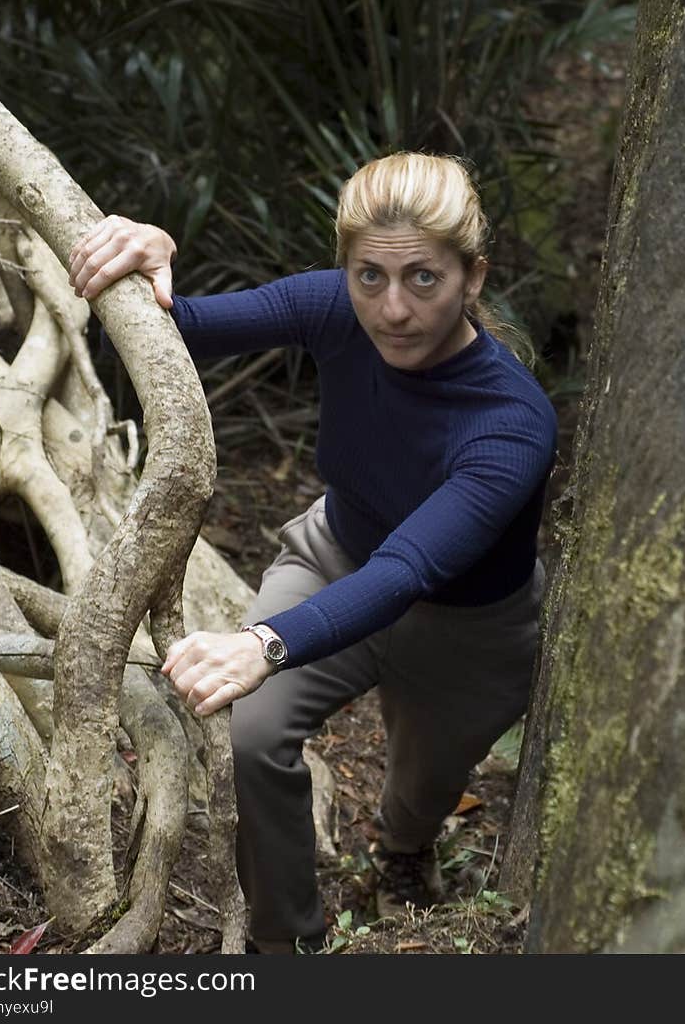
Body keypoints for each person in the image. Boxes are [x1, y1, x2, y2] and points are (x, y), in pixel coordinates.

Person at [68, 151, 557, 954]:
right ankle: (285, 946)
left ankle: (404, 849)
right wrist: (147, 262)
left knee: (419, 790)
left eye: (423, 280)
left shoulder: (512, 422)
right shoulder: (336, 307)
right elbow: (176, 329)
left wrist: (263, 641)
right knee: (254, 732)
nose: (392, 308)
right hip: (338, 553)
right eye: (370, 276)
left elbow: (410, 569)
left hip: (467, 626)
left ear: (473, 277)